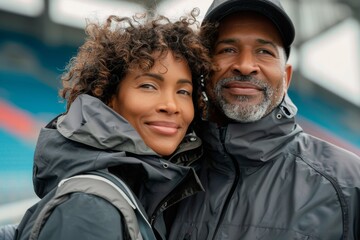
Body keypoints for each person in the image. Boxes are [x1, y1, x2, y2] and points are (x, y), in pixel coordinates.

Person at [167, 0, 360, 239]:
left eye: (264, 51)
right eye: (228, 49)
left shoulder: (348, 183)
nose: (246, 66)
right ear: (204, 69)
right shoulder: (168, 172)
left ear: (286, 77)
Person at [14, 10, 212, 240]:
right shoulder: (89, 208)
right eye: (148, 86)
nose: (171, 105)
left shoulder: (133, 190)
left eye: (183, 91)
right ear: (108, 97)